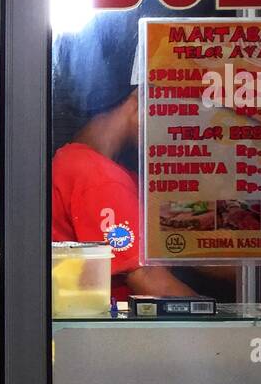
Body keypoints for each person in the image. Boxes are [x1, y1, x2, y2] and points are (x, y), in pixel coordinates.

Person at [52, 45, 196, 300]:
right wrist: (228, 329)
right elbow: (150, 281)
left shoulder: (91, 166)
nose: (172, 128)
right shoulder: (97, 176)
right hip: (109, 333)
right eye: (168, 111)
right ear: (141, 100)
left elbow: (191, 244)